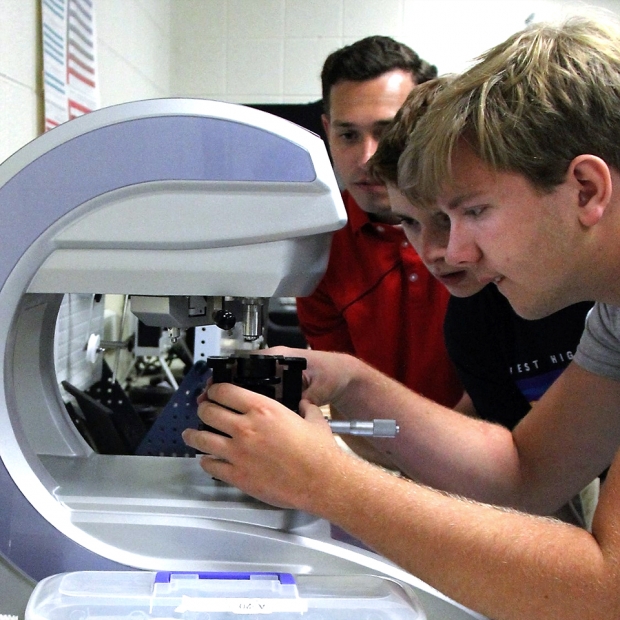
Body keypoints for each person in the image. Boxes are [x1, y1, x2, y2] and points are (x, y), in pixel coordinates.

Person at [183, 16, 620, 619]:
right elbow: (527, 472)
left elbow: (605, 592)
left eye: (474, 211)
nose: (451, 252)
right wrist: (355, 384)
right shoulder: (613, 315)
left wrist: (330, 483)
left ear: (586, 190)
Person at [366, 79, 594, 431]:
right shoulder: (471, 322)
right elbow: (532, 473)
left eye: (468, 213)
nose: (437, 252)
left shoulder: (603, 297)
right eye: (408, 222)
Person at [295, 36, 464, 408]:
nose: (367, 157)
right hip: (383, 449)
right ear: (327, 130)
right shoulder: (317, 247)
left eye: (387, 132)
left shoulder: (480, 228)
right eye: (348, 135)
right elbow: (344, 392)